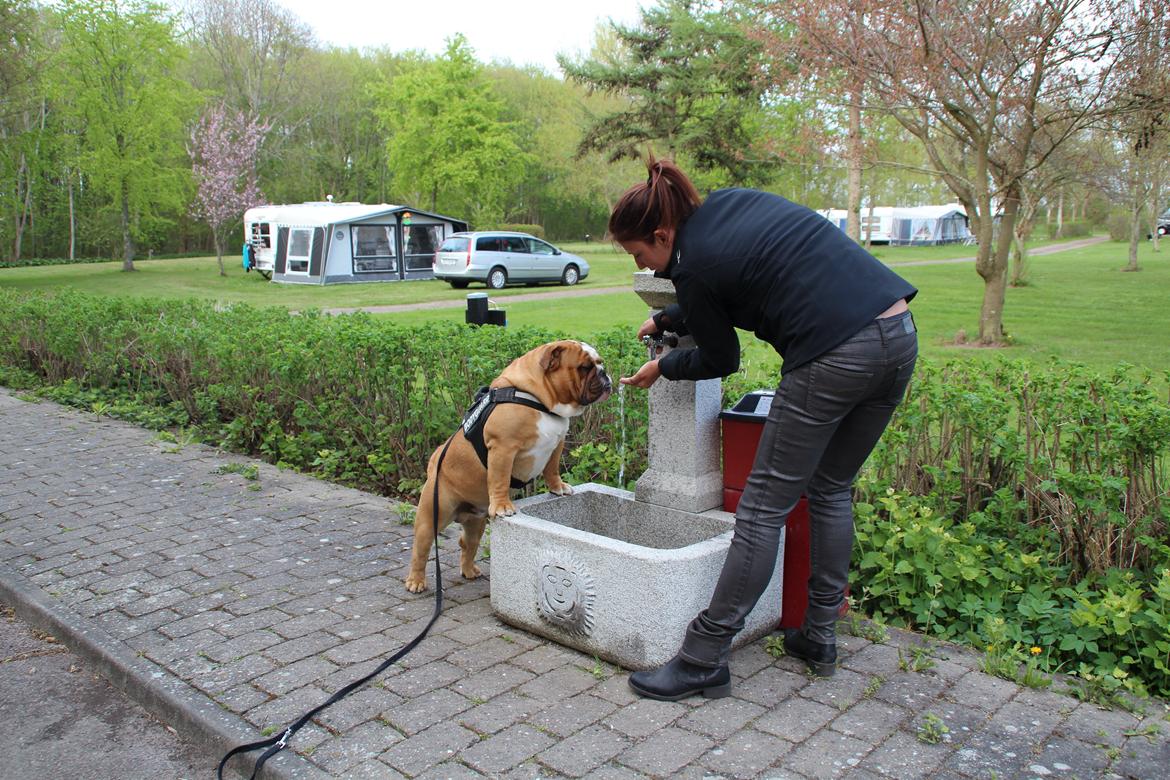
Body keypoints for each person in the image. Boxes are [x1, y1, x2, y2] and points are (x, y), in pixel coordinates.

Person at [614, 158, 919, 701]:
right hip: (896, 335)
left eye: (642, 255)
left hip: (833, 352)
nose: (649, 269)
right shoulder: (725, 204)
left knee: (760, 510)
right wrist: (667, 319)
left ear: (662, 234)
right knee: (829, 487)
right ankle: (819, 635)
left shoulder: (692, 266)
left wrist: (663, 365)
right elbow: (730, 280)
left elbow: (721, 355)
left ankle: (704, 657)